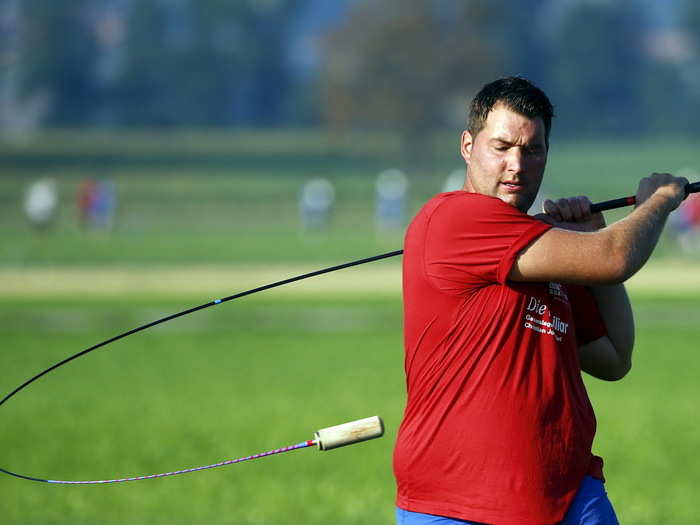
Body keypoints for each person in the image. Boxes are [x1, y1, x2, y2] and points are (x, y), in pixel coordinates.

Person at [393, 76, 688, 525]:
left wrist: (590, 234)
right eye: (502, 146)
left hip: (570, 491)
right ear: (467, 146)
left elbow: (613, 358)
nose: (516, 164)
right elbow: (615, 257)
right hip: (462, 499)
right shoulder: (456, 217)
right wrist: (658, 202)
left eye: (532, 150)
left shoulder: (542, 249)